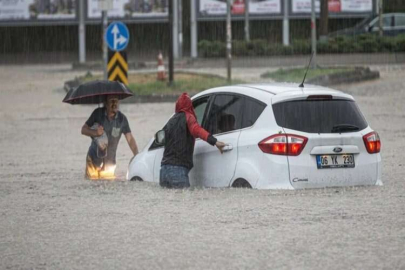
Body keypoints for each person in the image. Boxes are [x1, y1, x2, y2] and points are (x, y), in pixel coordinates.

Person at [160, 93, 226, 189]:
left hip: (163, 171)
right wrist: (214, 141)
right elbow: (197, 130)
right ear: (189, 106)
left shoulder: (170, 121)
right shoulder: (188, 117)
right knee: (184, 202)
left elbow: (163, 138)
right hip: (178, 171)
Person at [81, 95, 139, 179]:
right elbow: (83, 130)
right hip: (93, 161)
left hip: (109, 163)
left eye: (116, 100)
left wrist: (137, 156)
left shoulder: (122, 119)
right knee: (91, 186)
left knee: (108, 188)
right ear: (105, 103)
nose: (115, 104)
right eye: (112, 101)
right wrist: (95, 132)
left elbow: (130, 139)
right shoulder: (97, 113)